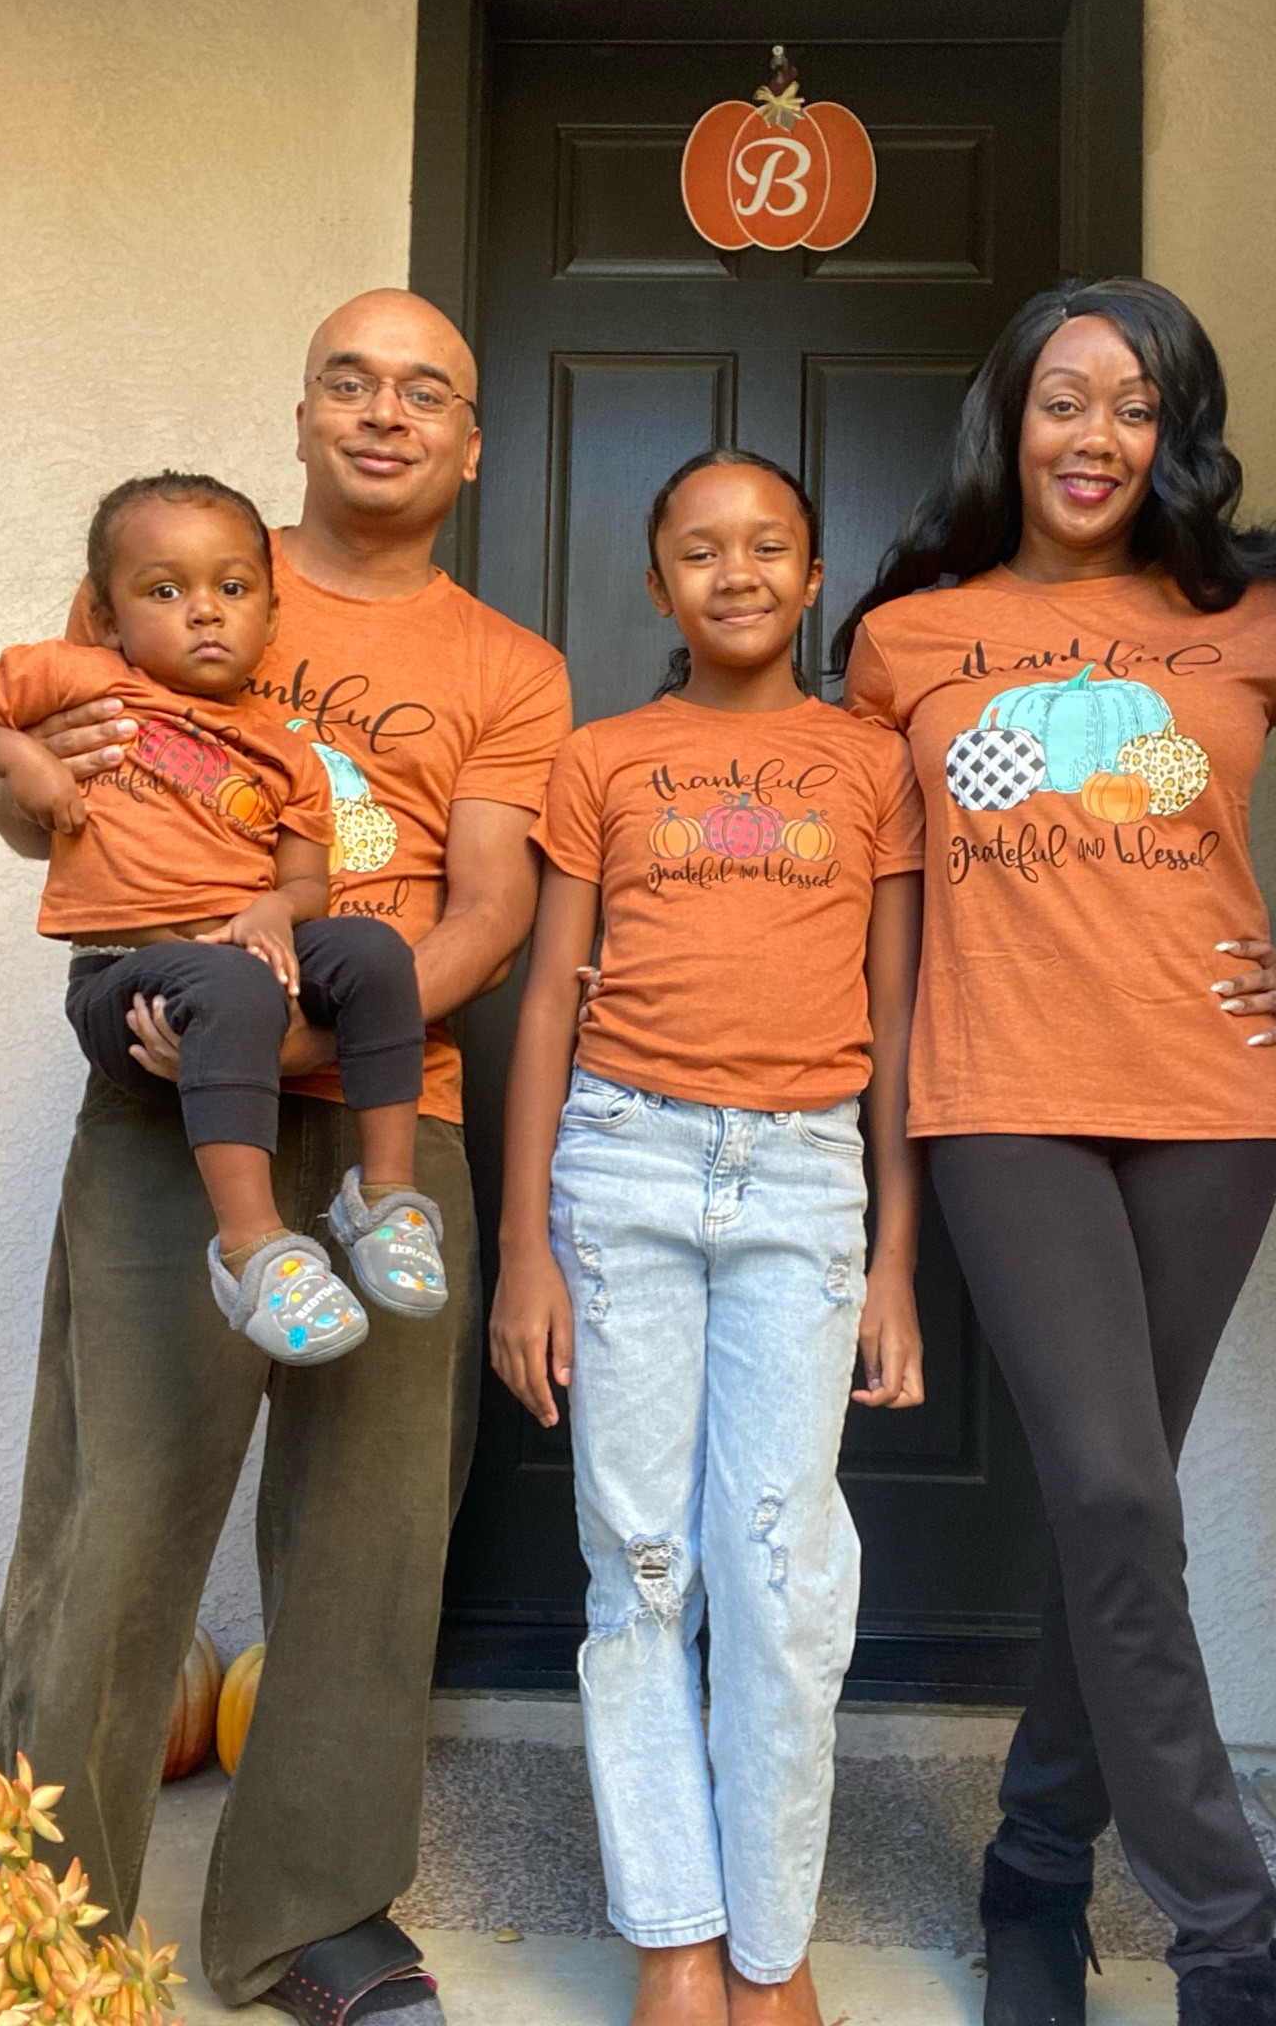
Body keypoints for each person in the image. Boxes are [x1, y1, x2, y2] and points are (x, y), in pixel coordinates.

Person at [834, 277, 1276, 2026]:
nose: (1096, 436)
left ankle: (1033, 1860)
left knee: (1129, 1517)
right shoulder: (910, 636)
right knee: (1111, 1491)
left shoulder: (1257, 619)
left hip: (1212, 1111)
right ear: (1007, 423)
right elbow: (849, 879)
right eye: (1063, 399)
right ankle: (1228, 1944)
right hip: (998, 1095)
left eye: (1137, 406)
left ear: (1176, 434)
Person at [0, 291, 571, 2026]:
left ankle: (310, 1915)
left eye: (427, 393)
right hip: (172, 1097)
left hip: (396, 1114)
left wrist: (308, 1030)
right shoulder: (192, 566)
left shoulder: (506, 665)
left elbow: (489, 910)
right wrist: (40, 787)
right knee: (118, 1508)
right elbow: (38, 791)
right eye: (350, 381)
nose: (385, 414)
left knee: (374, 1532)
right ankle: (34, 1923)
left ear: (471, 442)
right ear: (304, 413)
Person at [491, 451, 927, 2026]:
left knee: (782, 1568)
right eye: (698, 548)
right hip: (620, 1169)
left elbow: (897, 1010)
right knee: (643, 1561)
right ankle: (674, 1931)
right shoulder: (605, 757)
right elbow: (548, 997)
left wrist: (891, 1256)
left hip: (808, 1182)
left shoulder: (872, 765)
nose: (735, 572)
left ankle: (772, 1943)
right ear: (659, 583)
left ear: (815, 579)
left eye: (769, 547)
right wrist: (525, 1248)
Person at [0, 471, 447, 1360]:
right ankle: (253, 1253)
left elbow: (307, 885)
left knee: (370, 948)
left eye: (232, 589)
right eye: (165, 591)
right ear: (104, 614)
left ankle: (386, 1199)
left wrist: (275, 911)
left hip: (239, 958)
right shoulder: (76, 678)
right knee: (233, 987)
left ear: (271, 618)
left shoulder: (287, 757)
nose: (204, 611)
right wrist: (20, 758)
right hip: (123, 975)